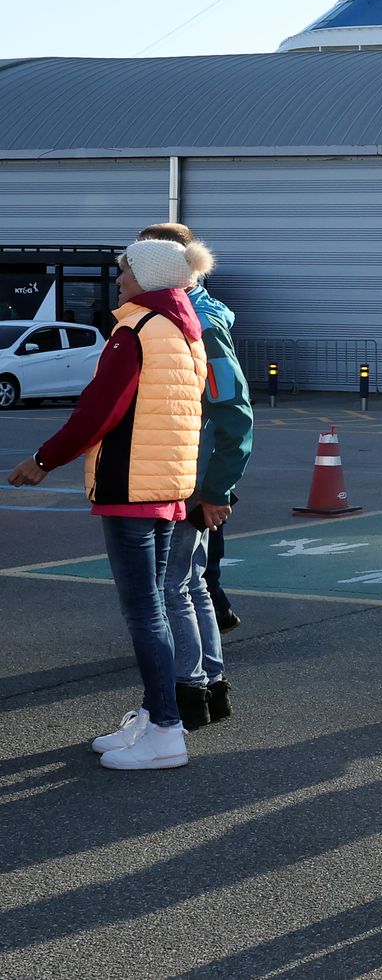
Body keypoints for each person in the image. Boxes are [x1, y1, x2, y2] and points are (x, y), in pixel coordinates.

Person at [9, 239, 208, 771]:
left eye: (124, 271)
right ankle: (155, 713)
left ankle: (166, 729)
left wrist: (43, 460)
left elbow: (98, 410)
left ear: (147, 276)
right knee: (159, 607)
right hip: (168, 486)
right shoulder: (187, 331)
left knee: (144, 612)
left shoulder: (136, 331)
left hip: (130, 487)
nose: (118, 280)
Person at [134, 224, 254, 730]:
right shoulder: (193, 313)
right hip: (191, 473)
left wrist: (215, 488)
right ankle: (208, 687)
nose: (124, 276)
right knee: (192, 585)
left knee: (172, 588)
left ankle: (187, 695)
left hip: (188, 476)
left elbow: (233, 411)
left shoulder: (198, 323)